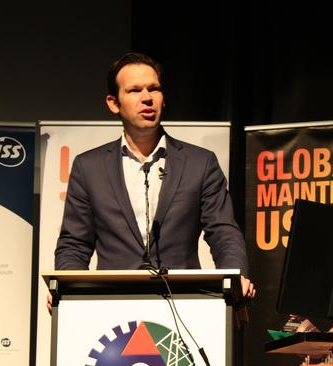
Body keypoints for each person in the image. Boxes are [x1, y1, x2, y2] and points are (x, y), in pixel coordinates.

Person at [49, 52, 254, 310]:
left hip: (186, 306)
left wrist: (236, 276)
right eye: (135, 90)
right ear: (114, 103)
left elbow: (223, 231)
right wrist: (68, 290)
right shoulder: (88, 167)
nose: (147, 98)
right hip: (111, 307)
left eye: (154, 89)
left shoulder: (200, 163)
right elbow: (74, 245)